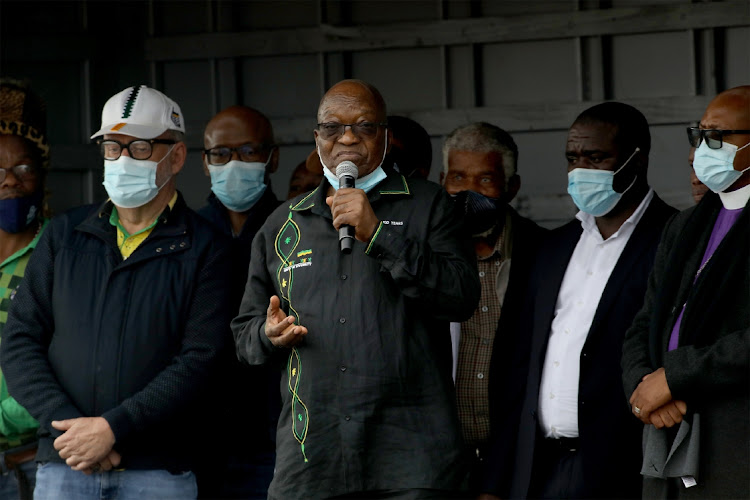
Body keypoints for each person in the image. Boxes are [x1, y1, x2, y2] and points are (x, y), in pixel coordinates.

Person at [232, 79, 480, 499]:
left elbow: (461, 296)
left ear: (383, 137)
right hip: (313, 461)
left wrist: (378, 234)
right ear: (317, 138)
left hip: (411, 460)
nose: (347, 138)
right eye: (332, 128)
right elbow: (244, 335)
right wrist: (267, 334)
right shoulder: (282, 224)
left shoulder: (429, 204)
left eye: (363, 127)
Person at [0, 85, 231, 499]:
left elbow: (201, 359)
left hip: (158, 471)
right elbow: (20, 340)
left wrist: (113, 429)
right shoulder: (65, 236)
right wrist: (71, 428)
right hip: (66, 464)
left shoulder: (207, 248)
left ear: (175, 157)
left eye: (140, 147)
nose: (122, 160)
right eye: (111, 147)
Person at [479, 102, 677, 499]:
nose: (581, 170)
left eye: (596, 157)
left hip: (626, 470)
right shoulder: (549, 248)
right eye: (573, 158)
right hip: (539, 469)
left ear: (637, 161)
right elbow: (515, 368)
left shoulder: (675, 240)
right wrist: (496, 481)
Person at [622, 85, 750, 499]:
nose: (700, 149)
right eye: (698, 134)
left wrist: (676, 377)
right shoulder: (685, 225)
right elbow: (646, 321)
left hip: (735, 447)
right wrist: (645, 385)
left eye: (718, 137)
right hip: (669, 435)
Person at [439, 122, 546, 493]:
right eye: (458, 177)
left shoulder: (544, 254)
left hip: (520, 457)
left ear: (511, 187)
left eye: (485, 179)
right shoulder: (424, 259)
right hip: (442, 461)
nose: (469, 192)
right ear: (442, 182)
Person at [197, 105, 281, 499]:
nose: (233, 163)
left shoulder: (295, 229)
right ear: (204, 162)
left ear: (272, 157)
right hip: (196, 434)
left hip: (274, 431)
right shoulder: (186, 234)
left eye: (248, 151)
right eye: (221, 154)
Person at [0, 78, 50, 500]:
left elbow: (65, 356)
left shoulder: (61, 255)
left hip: (31, 462)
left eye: (23, 168)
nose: (9, 182)